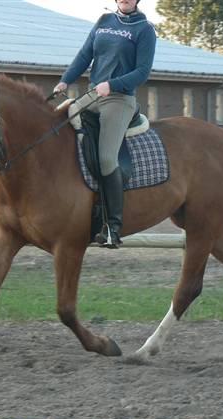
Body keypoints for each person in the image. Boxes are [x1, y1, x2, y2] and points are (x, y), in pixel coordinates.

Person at [54, 0, 156, 248]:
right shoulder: (103, 22)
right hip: (92, 95)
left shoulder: (145, 29)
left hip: (119, 99)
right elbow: (85, 54)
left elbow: (143, 72)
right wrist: (65, 81)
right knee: (56, 130)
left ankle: (112, 226)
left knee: (107, 158)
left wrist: (112, 84)